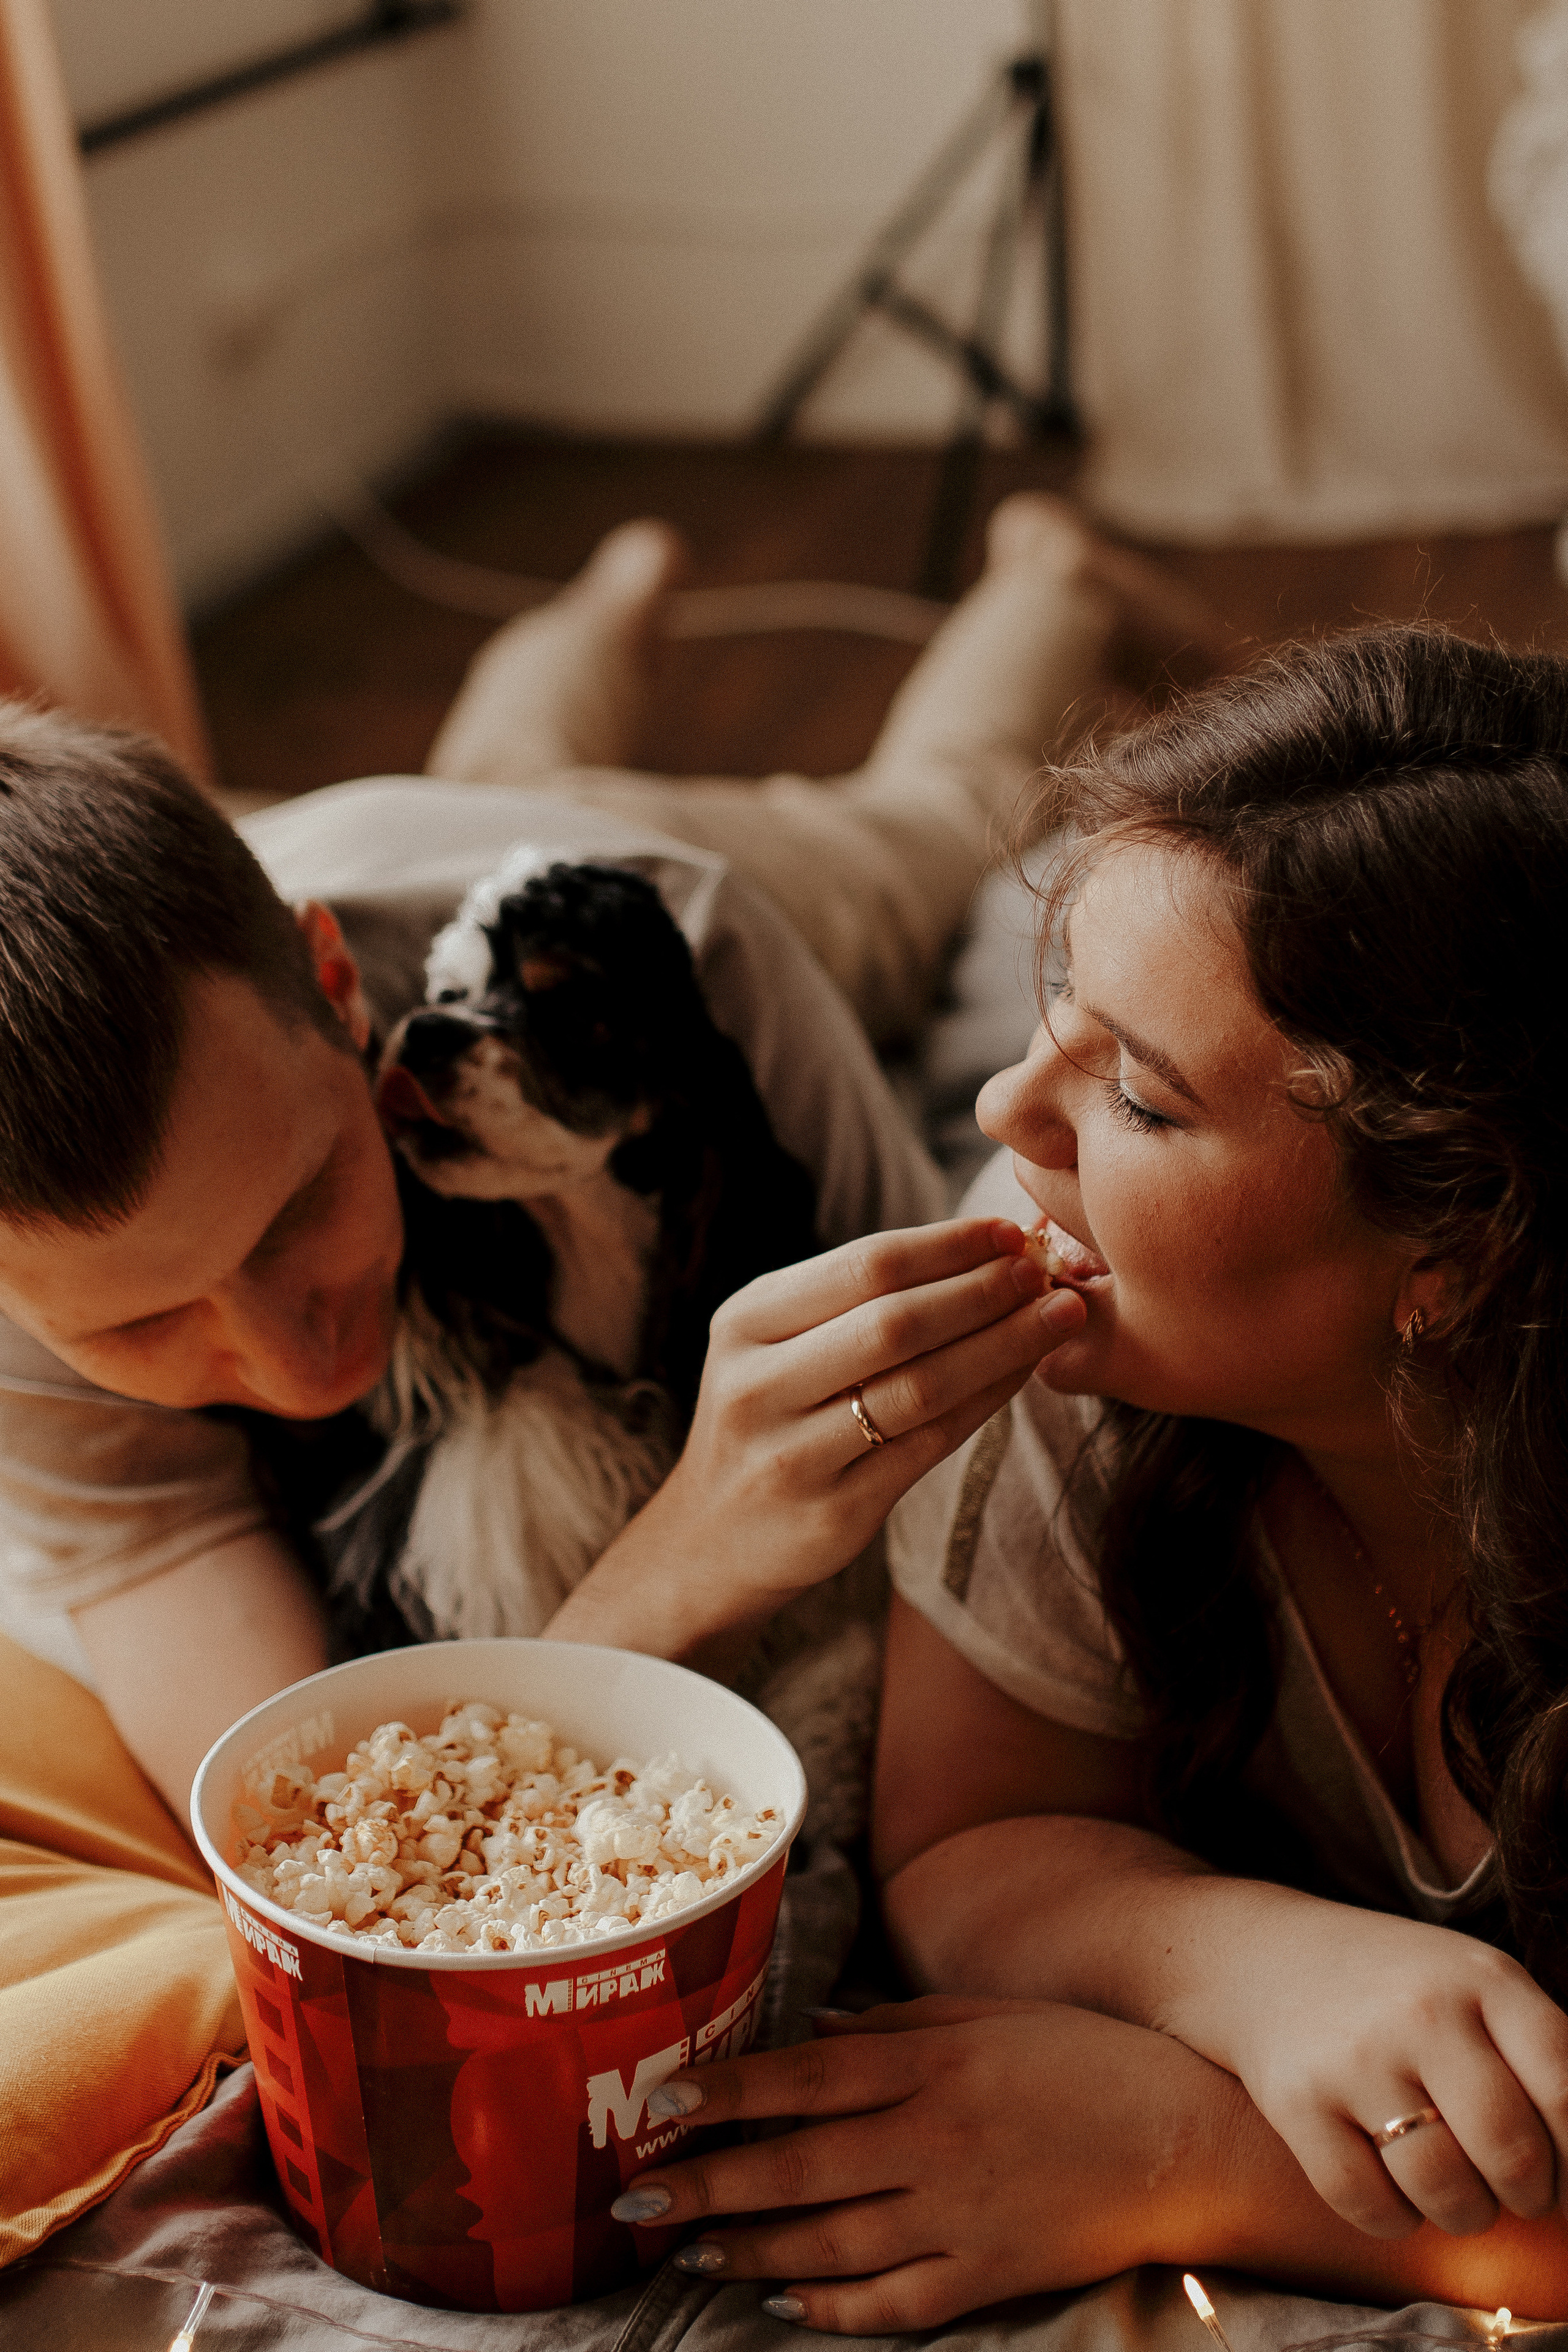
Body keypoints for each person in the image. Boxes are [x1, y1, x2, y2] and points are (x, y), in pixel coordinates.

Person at [551, 625, 1568, 2326]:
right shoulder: (1059, 1315)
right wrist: (1243, 1956)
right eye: (1057, 1022)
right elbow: (976, 1837)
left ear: (1456, 1240)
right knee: (707, 835)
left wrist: (1193, 2157)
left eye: (1142, 1102)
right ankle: (978, 613)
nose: (1010, 1112)